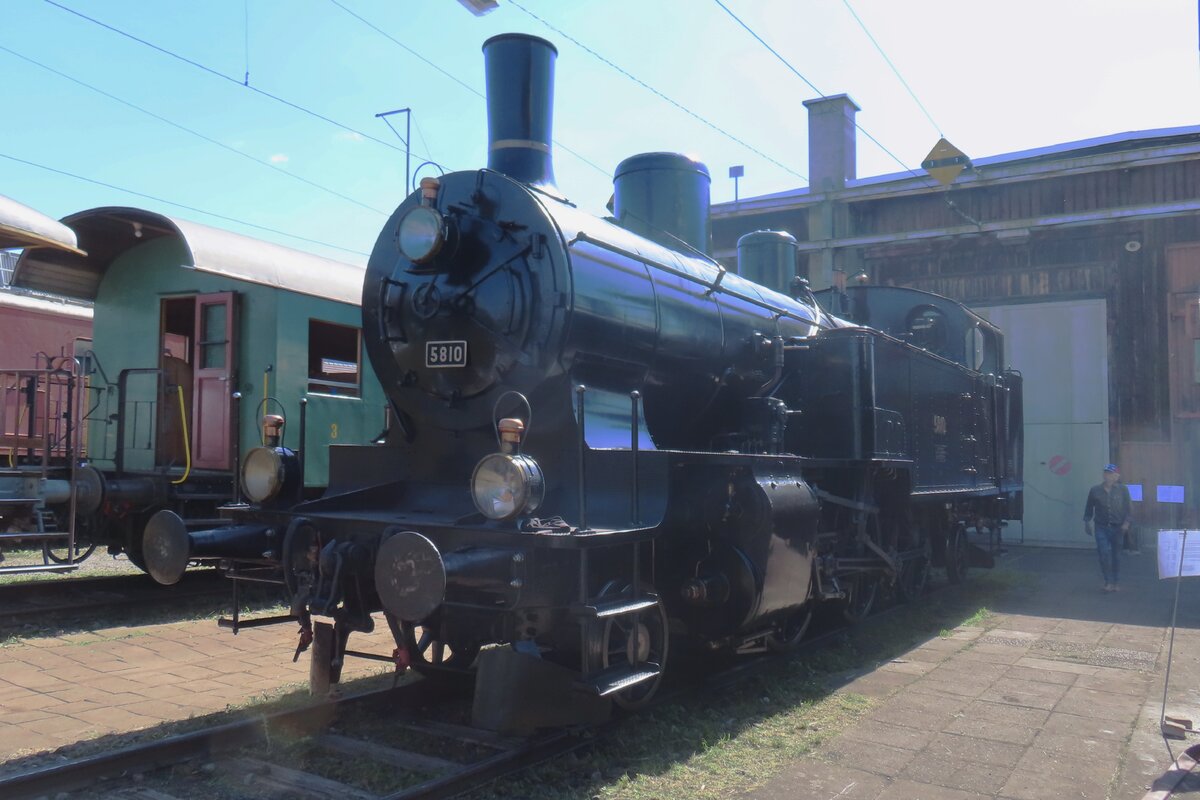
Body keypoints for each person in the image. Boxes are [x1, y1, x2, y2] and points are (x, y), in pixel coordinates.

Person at [1083, 464, 1133, 592]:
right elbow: (1089, 508)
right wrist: (1087, 522)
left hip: (1118, 528)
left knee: (1116, 555)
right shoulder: (1095, 490)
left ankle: (1116, 581)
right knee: (1103, 553)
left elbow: (1129, 509)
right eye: (1106, 473)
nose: (1107, 476)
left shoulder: (1123, 490)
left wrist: (1126, 523)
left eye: (1110, 473)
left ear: (1117, 476)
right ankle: (1107, 581)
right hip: (1101, 527)